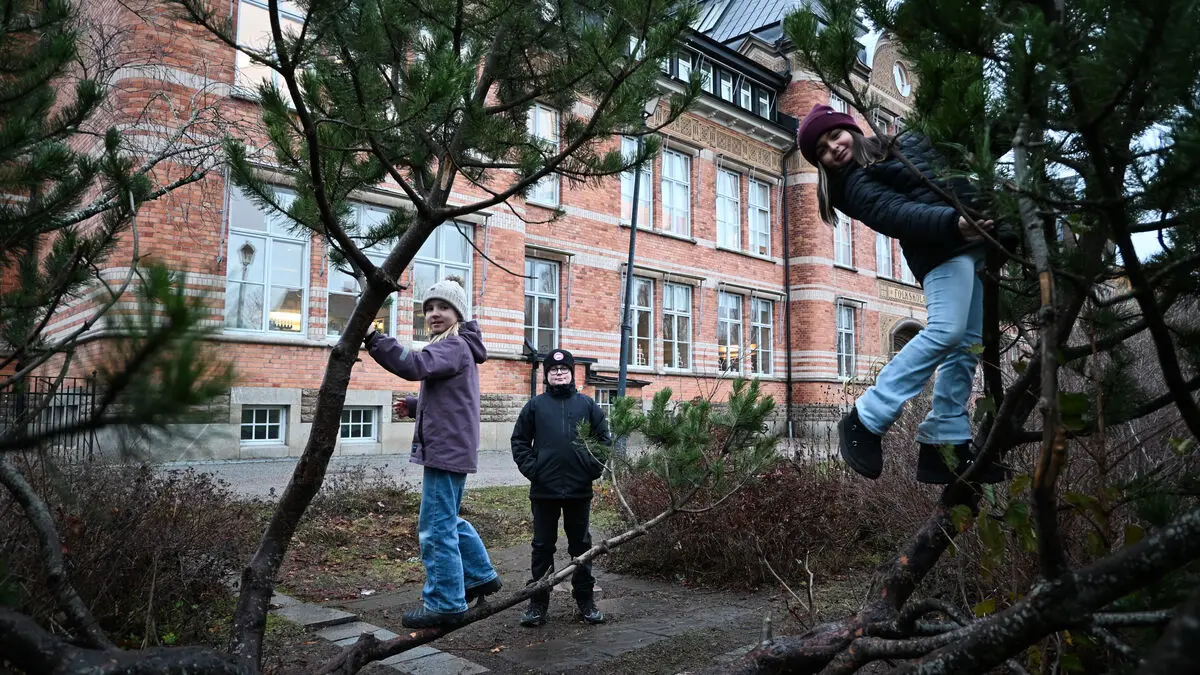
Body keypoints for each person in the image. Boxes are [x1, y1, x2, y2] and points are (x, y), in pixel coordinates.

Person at [797, 102, 1008, 485]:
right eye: (822, 152)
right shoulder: (853, 183)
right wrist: (952, 223)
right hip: (943, 247)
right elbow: (892, 211)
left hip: (975, 243)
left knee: (967, 345)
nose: (833, 149)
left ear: (851, 128)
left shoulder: (903, 144)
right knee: (946, 331)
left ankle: (946, 442)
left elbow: (969, 143)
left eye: (834, 136)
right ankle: (866, 417)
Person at [363, 275, 502, 628]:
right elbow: (450, 397)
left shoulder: (452, 345)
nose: (435, 314)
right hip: (452, 447)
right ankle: (480, 576)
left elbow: (414, 364)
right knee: (448, 518)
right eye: (429, 308)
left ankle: (445, 602)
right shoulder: (460, 347)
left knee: (435, 527)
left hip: (445, 450)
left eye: (443, 307)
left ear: (458, 312)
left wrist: (374, 339)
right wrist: (415, 405)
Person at [510, 348, 610, 627]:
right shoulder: (535, 406)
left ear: (572, 372)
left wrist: (593, 468)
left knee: (581, 546)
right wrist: (534, 470)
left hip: (579, 489)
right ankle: (538, 604)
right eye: (553, 370)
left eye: (563, 369)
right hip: (545, 490)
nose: (558, 373)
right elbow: (519, 441)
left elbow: (603, 440)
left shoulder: (587, 405)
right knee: (542, 547)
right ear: (546, 375)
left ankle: (586, 602)